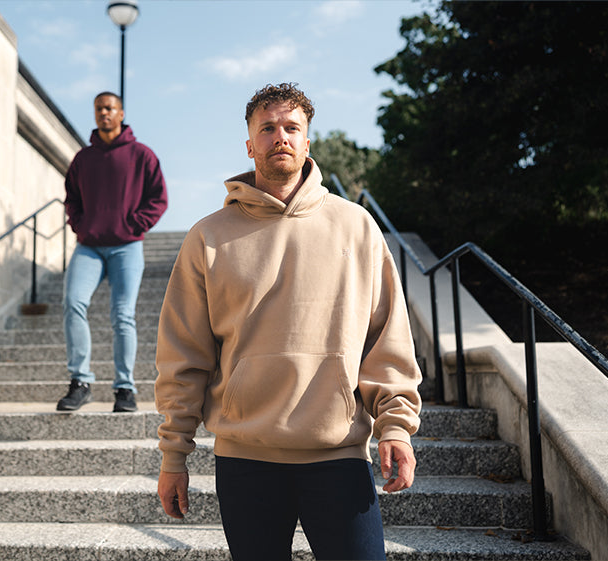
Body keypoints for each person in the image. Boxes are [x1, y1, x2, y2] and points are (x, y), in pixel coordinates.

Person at [154, 83, 422, 560]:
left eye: (292, 127)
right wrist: (175, 453)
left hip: (337, 453)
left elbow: (388, 338)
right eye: (268, 128)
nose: (281, 136)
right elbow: (183, 353)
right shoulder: (208, 238)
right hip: (245, 457)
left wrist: (396, 426)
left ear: (307, 141)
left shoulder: (357, 226)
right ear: (250, 144)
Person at [58, 91, 167, 413]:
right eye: (98, 109)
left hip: (127, 247)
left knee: (123, 315)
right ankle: (80, 382)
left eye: (109, 108)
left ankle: (124, 388)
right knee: (73, 303)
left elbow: (158, 199)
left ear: (120, 113)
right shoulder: (83, 159)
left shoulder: (142, 155)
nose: (103, 113)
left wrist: (134, 225)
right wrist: (80, 224)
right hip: (89, 246)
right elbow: (71, 198)